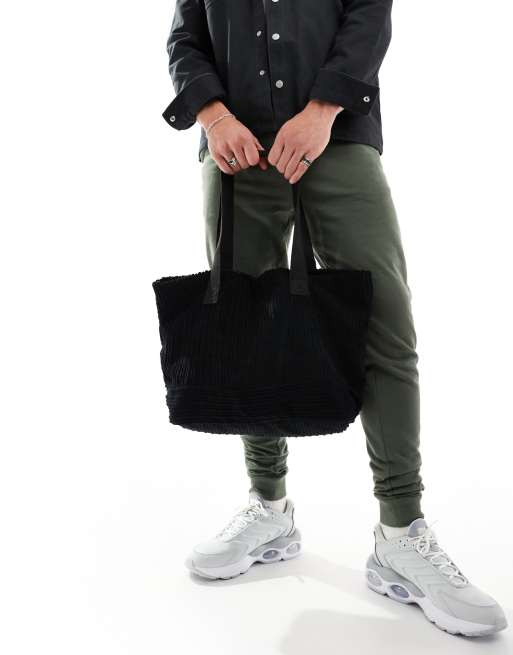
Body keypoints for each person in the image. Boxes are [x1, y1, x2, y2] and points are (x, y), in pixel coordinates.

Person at [162, 0, 507, 637]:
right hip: (235, 149)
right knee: (244, 327)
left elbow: (368, 14)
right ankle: (269, 507)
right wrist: (213, 117)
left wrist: (321, 111)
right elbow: (186, 36)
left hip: (337, 135)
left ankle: (401, 531)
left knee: (385, 323)